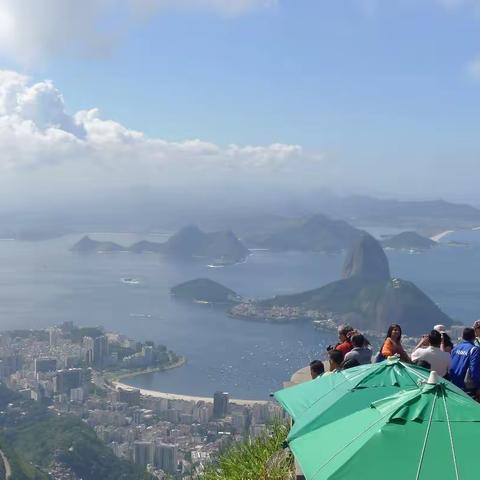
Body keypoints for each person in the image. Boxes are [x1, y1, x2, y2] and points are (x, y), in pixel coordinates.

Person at [449, 327, 480, 400]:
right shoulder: (474, 350)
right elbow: (474, 370)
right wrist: (478, 386)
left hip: (454, 385)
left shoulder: (455, 348)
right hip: (468, 389)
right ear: (474, 337)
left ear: (462, 337)